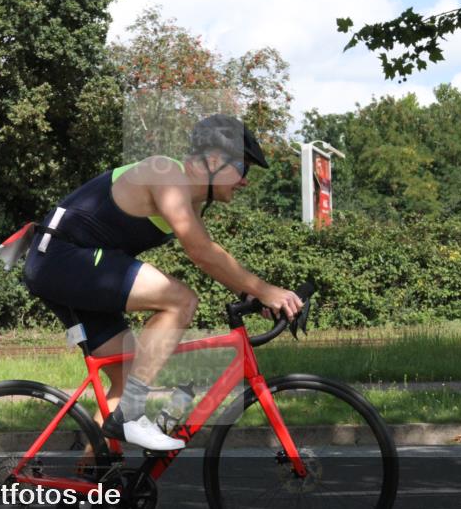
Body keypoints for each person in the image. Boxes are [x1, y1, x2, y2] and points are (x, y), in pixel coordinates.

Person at [23, 114, 303, 451]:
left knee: (128, 374)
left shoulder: (190, 200)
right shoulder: (167, 175)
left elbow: (211, 254)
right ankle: (129, 416)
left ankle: (93, 476)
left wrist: (252, 295)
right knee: (181, 300)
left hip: (65, 266)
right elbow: (200, 251)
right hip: (63, 258)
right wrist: (265, 289)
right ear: (215, 161)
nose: (244, 181)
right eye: (242, 168)